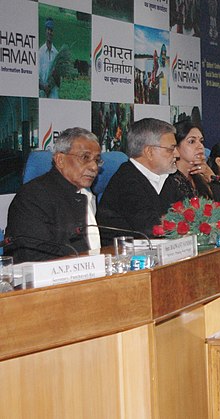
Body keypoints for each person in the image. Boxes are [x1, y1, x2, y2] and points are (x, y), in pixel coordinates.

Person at [6, 128, 102, 262]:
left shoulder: (87, 194)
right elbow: (34, 257)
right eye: (85, 157)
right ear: (60, 160)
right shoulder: (32, 197)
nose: (94, 167)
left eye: (97, 160)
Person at [97, 118, 180, 238]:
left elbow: (188, 214)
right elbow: (151, 229)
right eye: (171, 149)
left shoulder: (168, 179)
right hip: (123, 253)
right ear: (149, 152)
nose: (177, 154)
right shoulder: (126, 182)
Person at [159, 120, 220, 212]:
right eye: (192, 141)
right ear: (175, 147)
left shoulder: (199, 177)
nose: (200, 146)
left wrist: (210, 174)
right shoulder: (168, 180)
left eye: (201, 141)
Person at [38, 18, 59, 98]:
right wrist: (44, 87)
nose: (50, 32)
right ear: (45, 31)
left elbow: (59, 82)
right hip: (42, 94)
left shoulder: (56, 54)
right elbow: (36, 78)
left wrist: (56, 76)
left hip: (54, 95)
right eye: (48, 30)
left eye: (51, 30)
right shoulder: (40, 52)